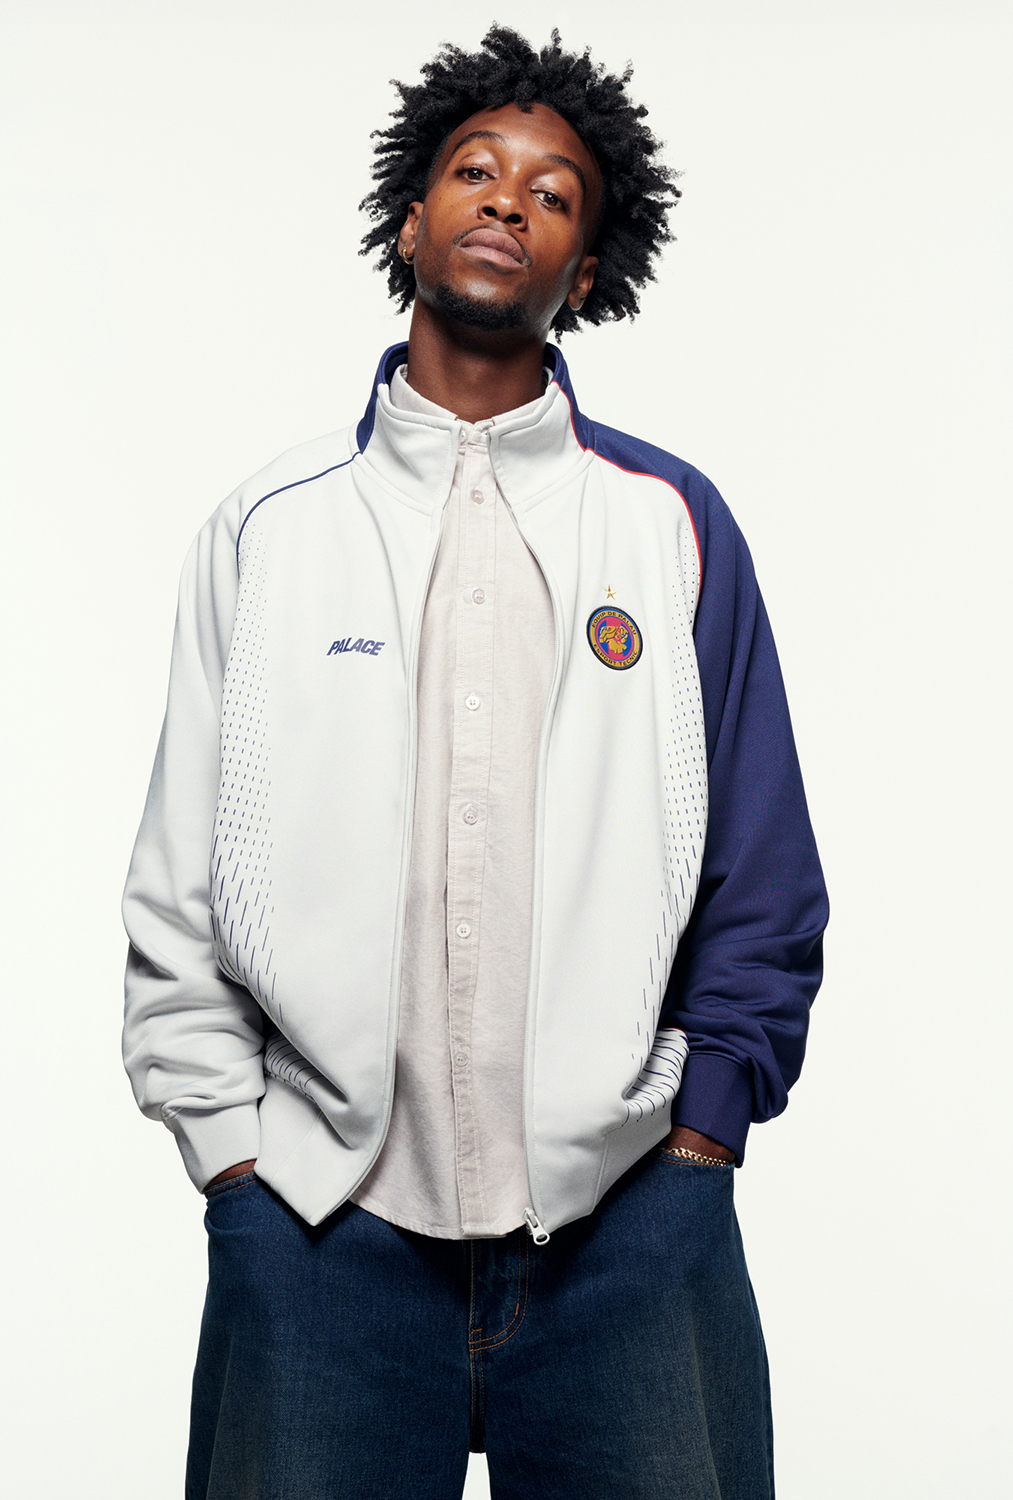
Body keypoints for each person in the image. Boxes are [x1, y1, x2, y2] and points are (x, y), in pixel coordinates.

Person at [122, 25, 828, 1500]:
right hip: (320, 1228)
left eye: (554, 194)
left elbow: (759, 870)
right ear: (410, 220)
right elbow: (179, 877)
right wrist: (234, 1158)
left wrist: (703, 1132)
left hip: (628, 1225)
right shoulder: (269, 529)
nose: (510, 200)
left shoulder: (671, 524)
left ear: (589, 271)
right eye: (476, 172)